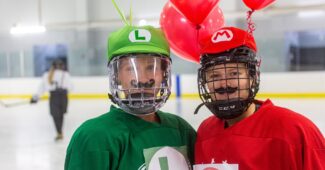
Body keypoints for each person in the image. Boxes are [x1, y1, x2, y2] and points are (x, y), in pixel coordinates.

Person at [64, 25, 196, 170]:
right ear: (116, 76)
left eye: (151, 67)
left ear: (164, 74)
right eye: (131, 69)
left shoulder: (181, 130)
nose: (143, 79)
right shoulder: (94, 137)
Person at [193, 27, 325, 170]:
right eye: (214, 76)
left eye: (234, 73)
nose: (224, 84)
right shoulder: (205, 132)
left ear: (253, 77)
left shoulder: (296, 131)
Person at [31, 59, 72, 141]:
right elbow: (71, 87)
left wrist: (35, 98)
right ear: (62, 66)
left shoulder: (47, 75)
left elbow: (41, 88)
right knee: (61, 115)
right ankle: (60, 132)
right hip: (63, 97)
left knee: (55, 115)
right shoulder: (66, 74)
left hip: (54, 97)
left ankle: (59, 132)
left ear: (52, 66)